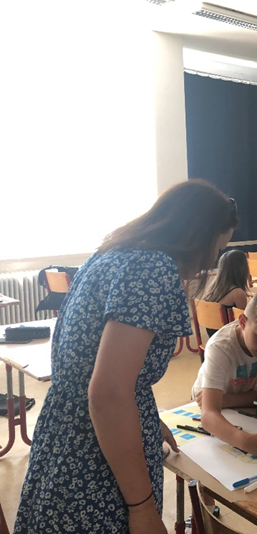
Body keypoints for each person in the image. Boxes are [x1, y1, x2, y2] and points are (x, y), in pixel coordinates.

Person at [14, 180, 238, 534]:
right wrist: (142, 507)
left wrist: (143, 419)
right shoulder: (154, 269)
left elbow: (98, 371)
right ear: (195, 235)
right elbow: (108, 394)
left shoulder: (113, 253)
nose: (212, 259)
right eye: (216, 247)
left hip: (67, 432)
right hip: (93, 458)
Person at [192, 288, 257, 458]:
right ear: (243, 322)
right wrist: (247, 443)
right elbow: (208, 415)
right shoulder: (220, 347)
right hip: (204, 403)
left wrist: (227, 400)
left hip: (236, 402)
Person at [202, 249, 250, 337]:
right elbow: (244, 324)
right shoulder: (238, 293)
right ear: (242, 269)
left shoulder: (212, 289)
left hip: (214, 338)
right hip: (229, 339)